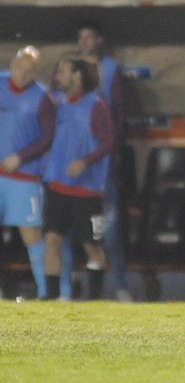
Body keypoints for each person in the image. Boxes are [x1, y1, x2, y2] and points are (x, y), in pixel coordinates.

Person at [42, 58, 113, 301]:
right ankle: (50, 300)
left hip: (87, 190)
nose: (57, 75)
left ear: (77, 75)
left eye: (62, 71)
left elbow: (108, 142)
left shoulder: (96, 105)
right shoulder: (58, 103)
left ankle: (95, 300)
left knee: (92, 246)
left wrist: (85, 161)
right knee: (51, 240)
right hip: (57, 186)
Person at [76, 20, 130, 302]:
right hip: (74, 165)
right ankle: (78, 288)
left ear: (100, 40)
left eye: (90, 36)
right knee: (77, 231)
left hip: (103, 163)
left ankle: (121, 285)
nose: (85, 42)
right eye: (81, 37)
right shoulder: (69, 68)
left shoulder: (110, 69)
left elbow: (120, 112)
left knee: (110, 230)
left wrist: (114, 149)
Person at [0, 47, 55, 299]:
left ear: (36, 73)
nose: (23, 73)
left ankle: (47, 294)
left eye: (30, 70)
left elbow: (47, 137)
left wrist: (20, 157)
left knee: (31, 234)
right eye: (21, 67)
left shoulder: (43, 97)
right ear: (12, 64)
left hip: (24, 178)